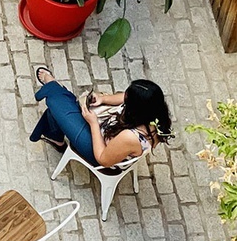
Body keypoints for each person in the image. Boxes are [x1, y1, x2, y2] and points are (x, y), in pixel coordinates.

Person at [29, 66, 173, 167]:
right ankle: (55, 135)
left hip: (97, 147)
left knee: (55, 102)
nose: (125, 97)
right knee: (59, 108)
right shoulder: (154, 110)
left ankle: (52, 86)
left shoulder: (130, 137)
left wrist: (93, 124)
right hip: (109, 129)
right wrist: (103, 99)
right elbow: (123, 97)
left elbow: (103, 158)